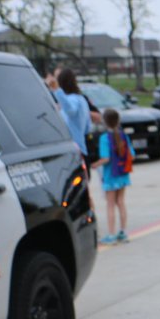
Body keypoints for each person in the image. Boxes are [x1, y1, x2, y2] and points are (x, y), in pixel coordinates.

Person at [92, 108, 134, 245]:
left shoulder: (104, 138)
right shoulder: (124, 136)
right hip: (123, 175)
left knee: (110, 204)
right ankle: (123, 232)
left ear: (104, 122)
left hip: (110, 176)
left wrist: (95, 164)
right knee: (121, 202)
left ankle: (111, 234)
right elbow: (132, 155)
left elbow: (106, 159)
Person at [47, 68, 91, 153]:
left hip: (72, 150)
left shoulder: (72, 99)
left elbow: (70, 111)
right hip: (80, 147)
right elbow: (87, 127)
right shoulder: (81, 99)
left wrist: (57, 90)